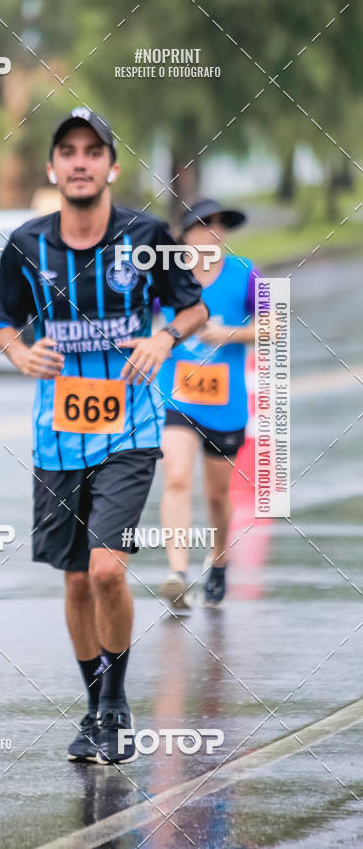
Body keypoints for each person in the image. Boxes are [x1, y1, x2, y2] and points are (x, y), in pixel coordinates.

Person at [0, 107, 208, 764]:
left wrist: (165, 335)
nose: (80, 161)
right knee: (76, 582)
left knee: (107, 568)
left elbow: (193, 305)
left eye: (92, 151)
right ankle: (94, 709)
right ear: (53, 168)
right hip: (57, 437)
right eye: (67, 151)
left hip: (131, 428)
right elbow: (1, 319)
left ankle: (116, 706)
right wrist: (20, 353)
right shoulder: (27, 245)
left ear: (112, 166)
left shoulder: (145, 234)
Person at [157, 199, 259, 611]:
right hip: (177, 395)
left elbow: (275, 323)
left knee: (217, 495)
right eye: (204, 224)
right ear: (184, 233)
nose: (214, 231)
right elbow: (139, 320)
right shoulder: (165, 274)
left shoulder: (244, 273)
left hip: (225, 402)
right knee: (177, 477)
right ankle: (177, 573)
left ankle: (218, 561)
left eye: (221, 225)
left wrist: (228, 335)